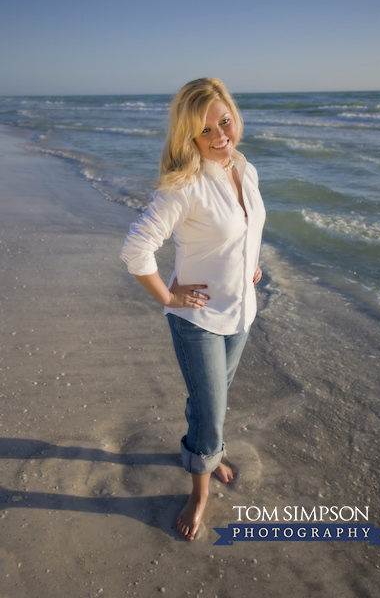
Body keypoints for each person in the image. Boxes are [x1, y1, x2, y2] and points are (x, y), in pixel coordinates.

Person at [120, 78, 266, 541]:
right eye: (207, 131)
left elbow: (244, 230)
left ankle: (204, 450)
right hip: (197, 320)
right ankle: (199, 492)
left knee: (210, 403)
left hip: (241, 313)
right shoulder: (185, 186)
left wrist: (250, 266)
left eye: (225, 121)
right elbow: (136, 248)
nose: (221, 135)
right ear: (189, 137)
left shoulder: (245, 168)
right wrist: (167, 296)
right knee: (212, 411)